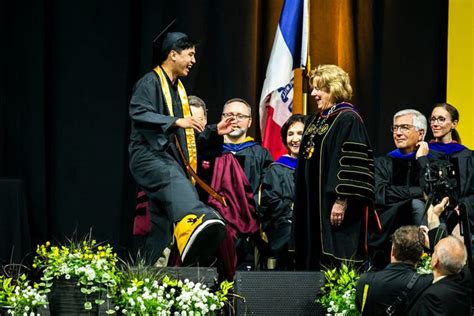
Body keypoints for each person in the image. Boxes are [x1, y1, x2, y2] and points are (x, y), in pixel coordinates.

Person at [128, 31, 235, 266]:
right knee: (179, 184)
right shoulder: (150, 82)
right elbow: (139, 112)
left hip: (167, 157)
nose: (194, 61)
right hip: (149, 157)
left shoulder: (178, 89)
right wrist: (176, 121)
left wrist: (215, 130)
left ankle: (143, 277)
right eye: (190, 54)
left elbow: (186, 138)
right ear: (173, 55)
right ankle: (202, 219)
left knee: (161, 228)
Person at [293, 64, 376, 269]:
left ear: (333, 88)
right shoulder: (314, 119)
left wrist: (342, 200)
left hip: (334, 205)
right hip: (312, 203)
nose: (313, 93)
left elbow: (352, 165)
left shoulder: (348, 118)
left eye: (318, 88)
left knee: (335, 258)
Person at [370, 109, 432, 268]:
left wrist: (422, 160)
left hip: (424, 217)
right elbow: (381, 195)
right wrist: (418, 193)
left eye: (404, 127)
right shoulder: (382, 162)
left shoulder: (430, 162)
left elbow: (433, 193)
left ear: (421, 133)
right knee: (416, 204)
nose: (397, 133)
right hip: (389, 221)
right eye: (395, 128)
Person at [258, 114, 305, 270]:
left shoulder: (319, 168)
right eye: (290, 134)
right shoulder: (277, 169)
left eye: (300, 133)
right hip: (284, 226)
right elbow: (269, 202)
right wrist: (293, 208)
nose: (295, 139)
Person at [356, 225, 433, 315]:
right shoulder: (426, 284)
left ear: (393, 250)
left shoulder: (365, 281)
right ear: (421, 255)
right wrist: (430, 247)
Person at [427, 102, 474, 232]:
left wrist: (463, 208)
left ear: (454, 123)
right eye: (433, 119)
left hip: (461, 214)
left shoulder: (467, 155)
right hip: (430, 211)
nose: (435, 124)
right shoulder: (423, 152)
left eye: (441, 119)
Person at [408, 235, 472, 315]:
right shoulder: (465, 280)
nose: (432, 254)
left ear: (435, 261)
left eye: (434, 251)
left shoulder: (432, 298)